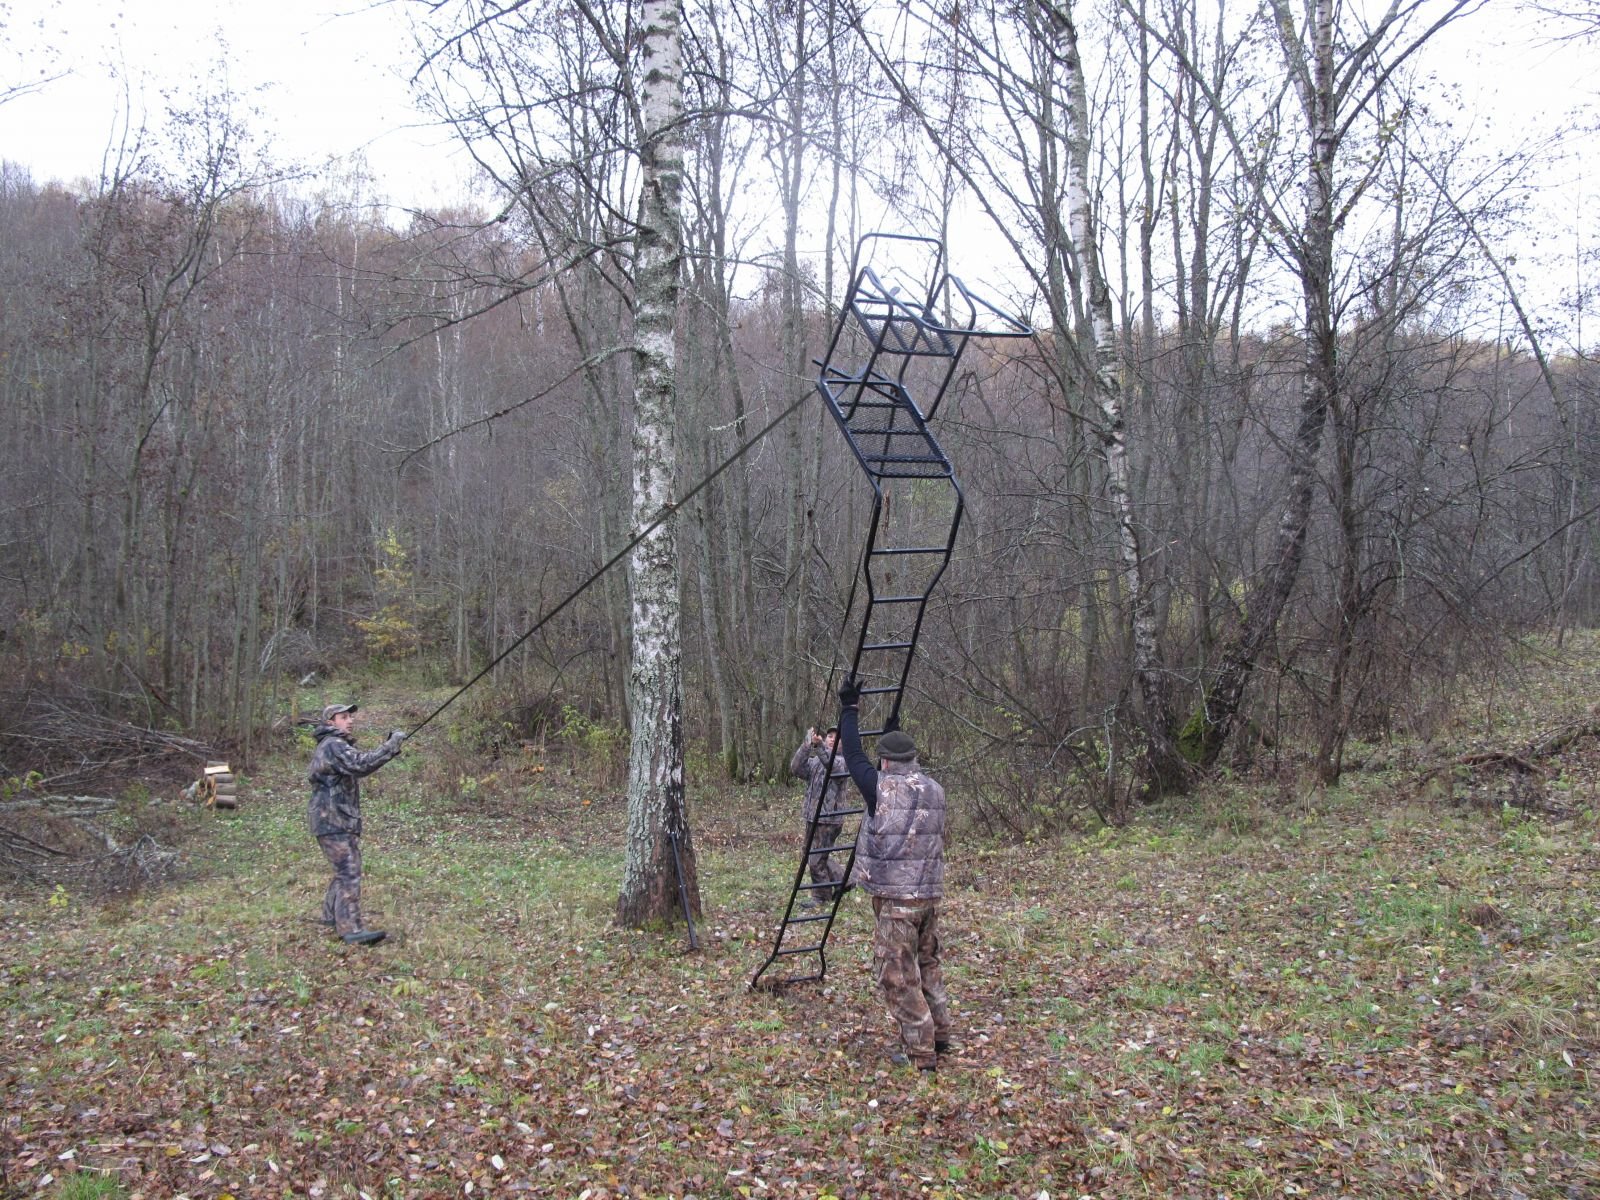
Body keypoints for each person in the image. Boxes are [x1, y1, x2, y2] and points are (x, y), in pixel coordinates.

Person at [836, 677, 952, 1071]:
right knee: (927, 964)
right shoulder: (934, 789)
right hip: (929, 898)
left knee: (897, 977)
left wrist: (849, 709)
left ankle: (921, 1054)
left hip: (897, 903)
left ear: (885, 762)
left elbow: (853, 756)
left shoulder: (881, 789)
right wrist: (891, 733)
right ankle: (940, 1035)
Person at [307, 703, 407, 946]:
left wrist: (389, 748)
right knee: (349, 871)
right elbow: (362, 764)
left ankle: (332, 917)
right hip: (333, 819)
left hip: (333, 819)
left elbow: (359, 763)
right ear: (331, 722)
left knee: (344, 869)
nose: (350, 720)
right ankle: (351, 929)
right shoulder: (333, 745)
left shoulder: (334, 745)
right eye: (343, 717)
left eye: (350, 716)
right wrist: (391, 745)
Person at [789, 725, 851, 904]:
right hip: (812, 816)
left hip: (829, 819)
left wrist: (821, 747)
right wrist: (807, 744)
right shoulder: (817, 760)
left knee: (816, 858)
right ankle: (843, 879)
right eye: (829, 736)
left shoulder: (843, 761)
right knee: (811, 854)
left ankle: (821, 896)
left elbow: (832, 766)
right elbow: (796, 768)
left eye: (836, 737)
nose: (832, 738)